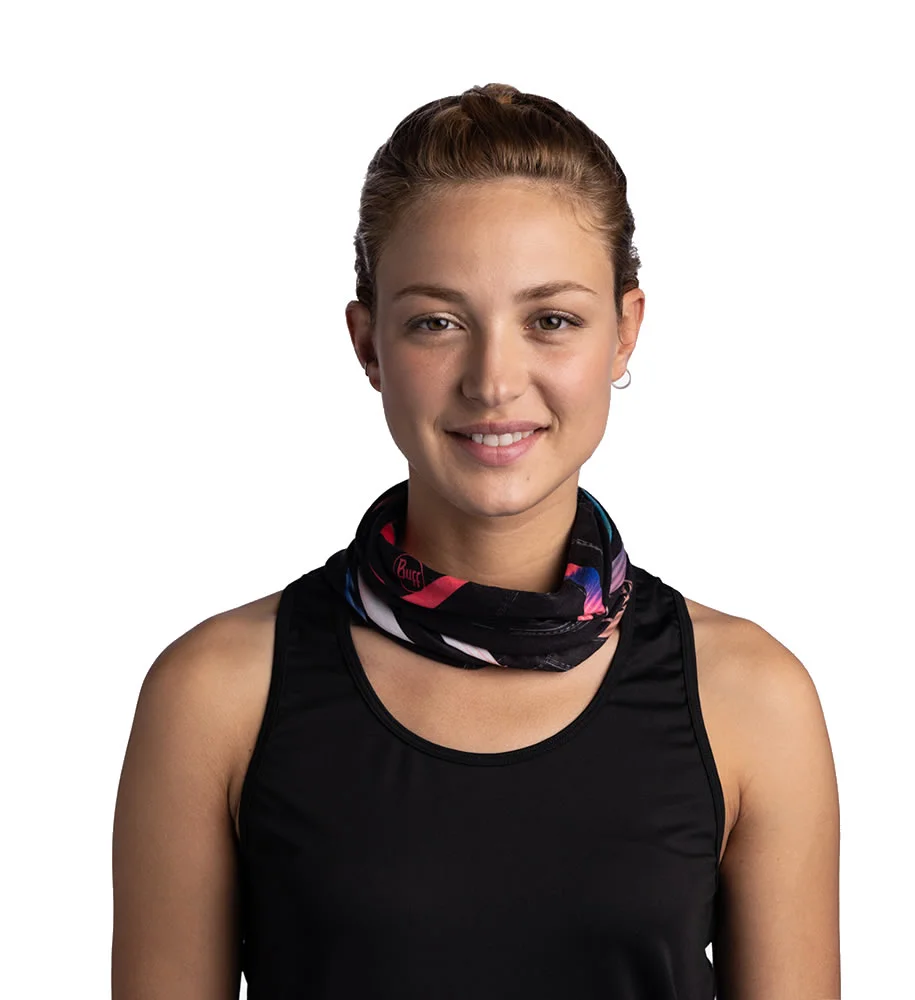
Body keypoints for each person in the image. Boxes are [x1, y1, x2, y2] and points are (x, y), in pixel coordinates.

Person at [111, 83, 840, 999]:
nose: (494, 381)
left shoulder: (752, 699)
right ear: (368, 344)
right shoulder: (216, 695)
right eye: (437, 323)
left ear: (625, 333)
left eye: (552, 320)